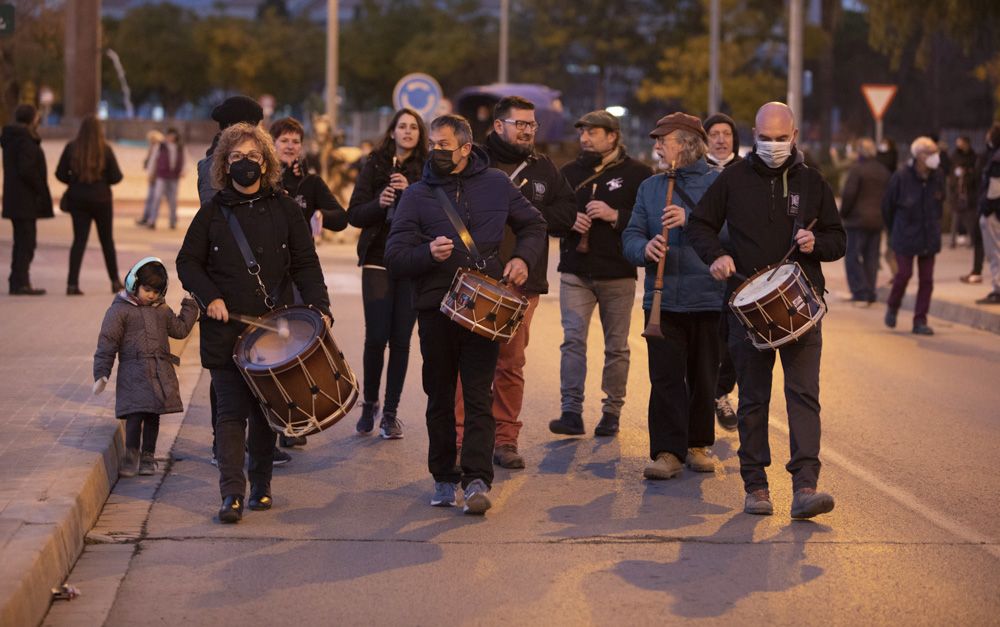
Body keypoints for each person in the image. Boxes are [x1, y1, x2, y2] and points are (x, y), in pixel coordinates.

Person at [687, 102, 846, 519]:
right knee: (754, 401)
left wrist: (818, 244)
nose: (773, 145)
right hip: (745, 306)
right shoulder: (733, 179)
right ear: (752, 134)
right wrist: (716, 256)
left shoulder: (812, 182)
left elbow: (838, 239)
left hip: (799, 303)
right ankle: (756, 486)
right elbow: (699, 225)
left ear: (794, 137)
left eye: (781, 138)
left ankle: (806, 487)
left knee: (803, 396)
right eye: (765, 138)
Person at [384, 114, 546, 515]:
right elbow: (395, 256)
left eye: (444, 145)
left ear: (466, 149)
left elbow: (534, 225)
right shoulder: (417, 195)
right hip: (436, 306)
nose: (436, 151)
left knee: (478, 394)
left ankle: (477, 478)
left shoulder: (496, 183)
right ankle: (442, 476)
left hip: (484, 305)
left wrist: (523, 260)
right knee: (439, 395)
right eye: (433, 145)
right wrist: (426, 253)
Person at [177, 122, 330, 523]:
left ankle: (260, 486)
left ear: (266, 163)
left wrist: (319, 305)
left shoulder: (285, 209)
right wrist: (210, 296)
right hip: (225, 329)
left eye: (253, 157)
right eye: (237, 157)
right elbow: (187, 262)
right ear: (225, 165)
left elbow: (305, 263)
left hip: (270, 327)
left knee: (266, 412)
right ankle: (231, 494)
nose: (246, 164)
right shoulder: (211, 213)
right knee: (230, 412)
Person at [453, 95, 576, 469]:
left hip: (523, 281)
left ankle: (505, 440)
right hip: (474, 279)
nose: (527, 131)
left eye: (531, 124)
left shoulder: (543, 168)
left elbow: (566, 213)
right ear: (498, 126)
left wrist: (524, 209)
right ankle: (461, 440)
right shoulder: (473, 163)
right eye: (519, 124)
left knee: (510, 364)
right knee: (469, 364)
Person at [622, 112, 724, 480]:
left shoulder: (719, 184)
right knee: (665, 377)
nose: (657, 146)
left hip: (707, 296)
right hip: (661, 301)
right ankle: (667, 450)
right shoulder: (651, 187)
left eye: (663, 139)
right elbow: (631, 232)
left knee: (702, 376)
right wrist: (643, 247)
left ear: (686, 143)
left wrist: (691, 220)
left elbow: (732, 234)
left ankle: (698, 444)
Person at [193, 96, 286, 465]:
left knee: (250, 364)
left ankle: (249, 442)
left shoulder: (216, 159)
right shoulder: (214, 167)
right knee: (227, 369)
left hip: (248, 273)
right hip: (228, 275)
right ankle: (226, 441)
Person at [548, 110, 652, 438]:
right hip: (575, 272)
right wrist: (567, 222)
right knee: (573, 340)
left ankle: (611, 412)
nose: (585, 138)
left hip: (618, 273)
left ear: (612, 136)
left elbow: (647, 221)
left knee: (617, 347)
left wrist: (615, 215)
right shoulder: (567, 172)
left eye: (593, 132)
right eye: (583, 132)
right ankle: (571, 412)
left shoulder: (638, 174)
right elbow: (547, 217)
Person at [347, 109, 427, 440]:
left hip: (411, 261)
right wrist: (380, 202)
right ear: (392, 131)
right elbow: (354, 214)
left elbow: (434, 216)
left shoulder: (428, 169)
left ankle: (390, 413)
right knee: (377, 335)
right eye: (402, 126)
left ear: (420, 134)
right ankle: (369, 403)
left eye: (414, 128)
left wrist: (410, 192)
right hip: (378, 258)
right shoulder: (375, 164)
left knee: (401, 339)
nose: (407, 132)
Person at [269, 116, 349, 447]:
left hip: (300, 275)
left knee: (298, 350)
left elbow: (342, 218)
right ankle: (269, 422)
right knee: (271, 349)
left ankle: (296, 420)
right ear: (271, 144)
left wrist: (321, 215)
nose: (290, 146)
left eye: (295, 141)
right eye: (284, 140)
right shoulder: (264, 179)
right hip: (268, 277)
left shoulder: (311, 184)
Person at [92, 258, 198, 476]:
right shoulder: (119, 311)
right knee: (135, 415)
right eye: (147, 289)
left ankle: (148, 456)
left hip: (159, 372)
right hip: (133, 372)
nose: (151, 295)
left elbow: (179, 329)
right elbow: (107, 342)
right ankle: (131, 454)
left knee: (152, 416)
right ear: (134, 283)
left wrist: (190, 305)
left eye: (156, 291)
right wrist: (101, 373)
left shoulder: (161, 310)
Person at [703, 112, 742, 432]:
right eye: (714, 133)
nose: (720, 139)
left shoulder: (745, 172)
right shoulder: (695, 173)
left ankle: (720, 392)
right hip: (702, 268)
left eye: (726, 133)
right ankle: (703, 400)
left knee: (735, 341)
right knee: (708, 340)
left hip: (739, 271)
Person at [56, 114, 125, 296]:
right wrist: (102, 180)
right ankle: (114, 281)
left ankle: (72, 284)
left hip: (78, 200)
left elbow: (60, 173)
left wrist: (74, 180)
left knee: (79, 241)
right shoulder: (105, 149)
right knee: (107, 241)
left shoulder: (71, 148)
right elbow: (117, 176)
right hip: (102, 199)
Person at [882, 137, 945, 335]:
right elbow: (887, 207)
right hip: (905, 235)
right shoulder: (901, 176)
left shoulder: (938, 176)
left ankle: (920, 320)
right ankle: (893, 306)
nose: (935, 157)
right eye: (930, 153)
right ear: (919, 156)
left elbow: (940, 203)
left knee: (927, 280)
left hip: (929, 235)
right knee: (904, 274)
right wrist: (893, 231)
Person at [2, 104, 53, 295]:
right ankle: (21, 282)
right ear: (32, 119)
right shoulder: (24, 141)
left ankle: (17, 280)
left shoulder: (13, 138)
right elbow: (27, 170)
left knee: (21, 242)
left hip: (15, 199)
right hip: (25, 200)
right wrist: (40, 188)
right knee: (27, 243)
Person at [840, 137, 890, 306]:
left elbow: (849, 195)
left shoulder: (858, 170)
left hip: (857, 221)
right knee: (872, 258)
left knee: (853, 257)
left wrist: (843, 214)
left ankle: (859, 292)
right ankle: (870, 291)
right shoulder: (883, 171)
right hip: (877, 221)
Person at [975, 122, 1000, 305]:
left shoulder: (996, 159)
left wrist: (986, 209)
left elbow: (994, 189)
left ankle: (998, 288)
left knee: (995, 252)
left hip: (994, 213)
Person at [143, 127, 185, 229]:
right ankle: (152, 220)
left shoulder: (179, 147)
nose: (170, 137)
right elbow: (153, 160)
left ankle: (173, 221)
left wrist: (183, 171)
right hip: (161, 176)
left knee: (172, 200)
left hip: (174, 177)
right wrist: (151, 173)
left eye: (172, 135)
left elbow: (185, 160)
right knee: (157, 198)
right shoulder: (160, 146)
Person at [136, 129, 164, 227]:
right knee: (151, 198)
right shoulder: (154, 148)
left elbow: (155, 164)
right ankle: (147, 217)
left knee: (154, 199)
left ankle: (150, 219)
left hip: (156, 177)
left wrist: (152, 176)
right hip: (154, 176)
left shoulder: (158, 148)